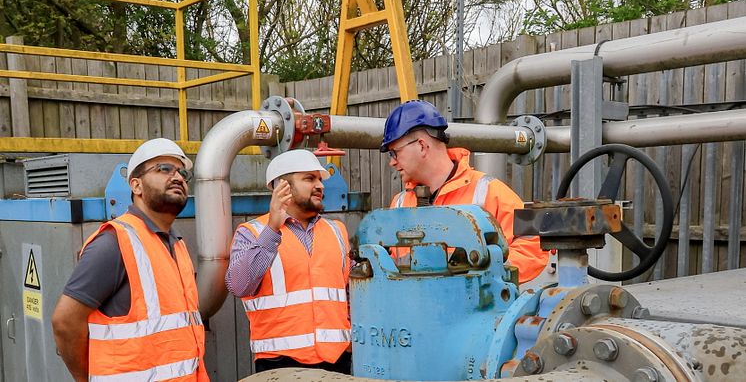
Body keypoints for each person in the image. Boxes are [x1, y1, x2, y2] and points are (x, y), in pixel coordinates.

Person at [51, 138, 208, 382]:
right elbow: (65, 322)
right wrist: (86, 378)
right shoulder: (113, 243)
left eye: (182, 172)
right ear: (136, 186)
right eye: (164, 169)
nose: (177, 177)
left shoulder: (177, 244)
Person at [380, 99, 548, 284]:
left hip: (478, 310)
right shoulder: (399, 203)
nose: (392, 162)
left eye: (394, 152)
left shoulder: (488, 192)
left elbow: (534, 244)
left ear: (422, 146)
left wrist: (488, 277)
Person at [225, 149, 351, 374]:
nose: (320, 186)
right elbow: (238, 285)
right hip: (280, 365)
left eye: (319, 179)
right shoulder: (252, 233)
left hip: (337, 361)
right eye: (309, 178)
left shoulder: (337, 231)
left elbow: (349, 294)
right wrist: (272, 229)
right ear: (282, 186)